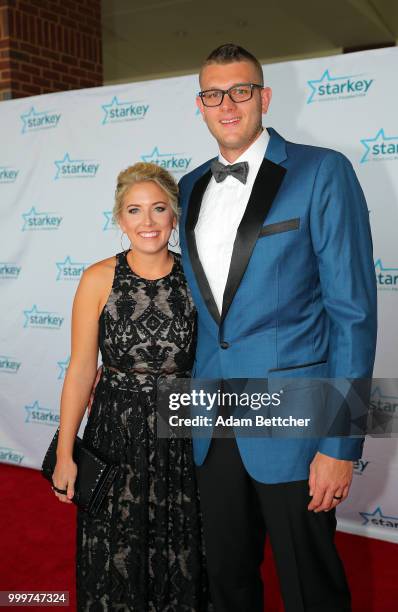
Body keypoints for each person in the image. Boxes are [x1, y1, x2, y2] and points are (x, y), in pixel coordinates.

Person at [178, 44, 377, 612]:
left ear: (263, 97)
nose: (228, 104)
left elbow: (353, 316)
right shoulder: (190, 187)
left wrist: (341, 442)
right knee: (228, 579)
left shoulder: (321, 171)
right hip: (210, 420)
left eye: (240, 91)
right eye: (214, 94)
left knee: (309, 583)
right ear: (201, 105)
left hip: (294, 420)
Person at [51, 162, 211, 611]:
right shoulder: (97, 279)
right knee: (114, 558)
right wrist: (66, 453)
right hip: (114, 436)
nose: (147, 222)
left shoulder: (197, 279)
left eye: (158, 209)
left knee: (181, 552)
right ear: (120, 219)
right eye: (135, 210)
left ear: (174, 217)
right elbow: (82, 369)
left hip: (181, 435)